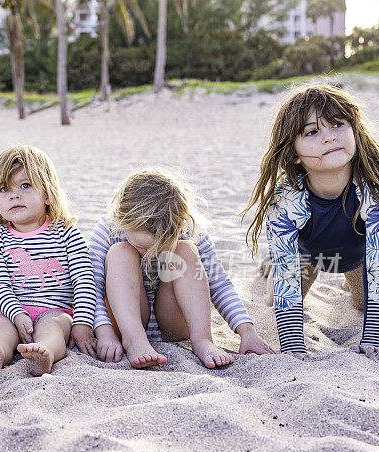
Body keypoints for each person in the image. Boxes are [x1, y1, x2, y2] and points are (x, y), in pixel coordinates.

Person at [89, 169, 273, 369]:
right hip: (124, 323)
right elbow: (92, 287)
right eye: (142, 247)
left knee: (185, 250)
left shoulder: (188, 230)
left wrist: (247, 332)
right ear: (123, 220)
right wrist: (105, 333)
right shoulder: (109, 228)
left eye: (160, 248)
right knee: (120, 252)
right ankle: (135, 340)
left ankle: (202, 341)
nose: (150, 254)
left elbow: (219, 285)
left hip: (173, 323)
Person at [244, 83, 379, 355]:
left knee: (363, 302)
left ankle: (349, 278)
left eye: (338, 125)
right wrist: (294, 349)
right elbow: (288, 284)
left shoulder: (372, 189)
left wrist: (372, 340)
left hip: (362, 255)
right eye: (312, 132)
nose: (329, 137)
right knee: (277, 298)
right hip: (305, 255)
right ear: (293, 152)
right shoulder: (284, 201)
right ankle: (269, 266)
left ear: (355, 131)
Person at [0, 145, 96, 375]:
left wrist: (83, 323)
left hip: (54, 310)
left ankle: (44, 353)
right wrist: (16, 313)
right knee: (1, 326)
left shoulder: (65, 231)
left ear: (47, 194)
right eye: (4, 189)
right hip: (11, 311)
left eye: (25, 186)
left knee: (55, 329)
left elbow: (84, 279)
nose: (14, 195)